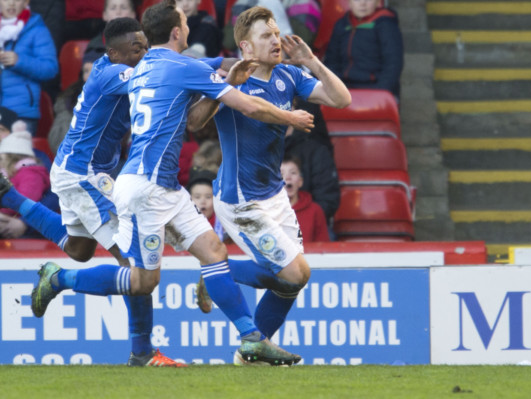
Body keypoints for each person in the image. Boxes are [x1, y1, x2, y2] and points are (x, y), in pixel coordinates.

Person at [31, 0, 315, 367]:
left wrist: (226, 70)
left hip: (163, 185)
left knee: (213, 250)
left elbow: (198, 91)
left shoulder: (144, 66)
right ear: (178, 31)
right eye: (184, 21)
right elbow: (248, 106)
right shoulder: (178, 65)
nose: (189, 25)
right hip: (144, 189)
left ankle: (251, 339)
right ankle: (61, 280)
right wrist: (288, 114)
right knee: (143, 281)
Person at [0, 17, 187, 367]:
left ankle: (12, 199)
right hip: (84, 175)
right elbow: (160, 77)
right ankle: (142, 351)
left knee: (80, 249)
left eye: (146, 47)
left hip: (76, 171)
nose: (144, 54)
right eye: (137, 49)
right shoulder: (110, 74)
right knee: (134, 266)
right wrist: (213, 68)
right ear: (114, 52)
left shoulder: (114, 68)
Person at [188, 6, 350, 364]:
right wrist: (228, 86)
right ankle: (217, 273)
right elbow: (196, 121)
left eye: (276, 34)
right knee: (295, 271)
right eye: (266, 36)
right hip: (241, 199)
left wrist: (313, 63)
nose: (276, 41)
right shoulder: (232, 80)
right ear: (246, 47)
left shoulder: (290, 76)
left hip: (273, 193)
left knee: (292, 283)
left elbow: (342, 99)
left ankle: (251, 354)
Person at [324, 0, 403, 100]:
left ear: (378, 2)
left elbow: (393, 64)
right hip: (344, 87)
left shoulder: (386, 24)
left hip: (375, 87)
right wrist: (335, 87)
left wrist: (381, 91)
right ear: (349, 2)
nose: (362, 3)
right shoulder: (342, 25)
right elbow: (332, 61)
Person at [0, 0, 59, 135]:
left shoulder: (37, 29)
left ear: (26, 1)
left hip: (21, 112)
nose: (11, 3)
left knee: (17, 156)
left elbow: (50, 68)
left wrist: (19, 61)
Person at [285, 100, 340, 222]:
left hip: (309, 226)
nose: (280, 109)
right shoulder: (255, 148)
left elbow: (327, 200)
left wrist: (303, 220)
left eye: (286, 104)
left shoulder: (315, 150)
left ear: (296, 109)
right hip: (267, 228)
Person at [47, 49, 103, 155]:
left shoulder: (121, 98)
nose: (89, 77)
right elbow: (57, 140)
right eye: (86, 71)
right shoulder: (69, 100)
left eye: (95, 71)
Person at [0, 129, 49, 238]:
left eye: (1, 158)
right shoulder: (13, 173)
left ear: (11, 158)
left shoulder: (31, 175)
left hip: (16, 223)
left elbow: (23, 203)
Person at [281, 154, 329, 242]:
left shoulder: (315, 210)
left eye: (293, 173)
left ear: (300, 181)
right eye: (281, 174)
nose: (288, 178)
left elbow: (323, 249)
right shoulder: (267, 212)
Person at [188, 167, 228, 242]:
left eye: (208, 197)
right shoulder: (181, 224)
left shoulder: (226, 226)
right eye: (197, 197)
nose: (203, 201)